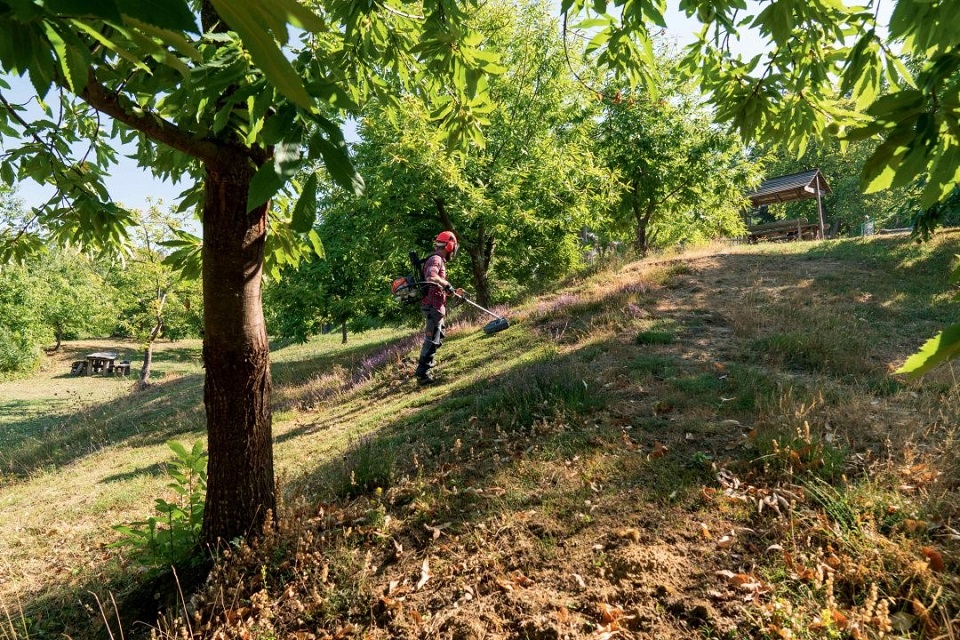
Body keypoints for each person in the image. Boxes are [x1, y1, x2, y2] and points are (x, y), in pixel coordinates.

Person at [415, 230, 464, 385]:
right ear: (449, 246)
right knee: (432, 339)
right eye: (453, 247)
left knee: (438, 337)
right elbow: (431, 276)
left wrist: (449, 290)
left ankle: (425, 370)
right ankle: (423, 374)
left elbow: (435, 283)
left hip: (436, 305)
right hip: (432, 306)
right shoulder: (436, 259)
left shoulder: (438, 259)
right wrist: (447, 284)